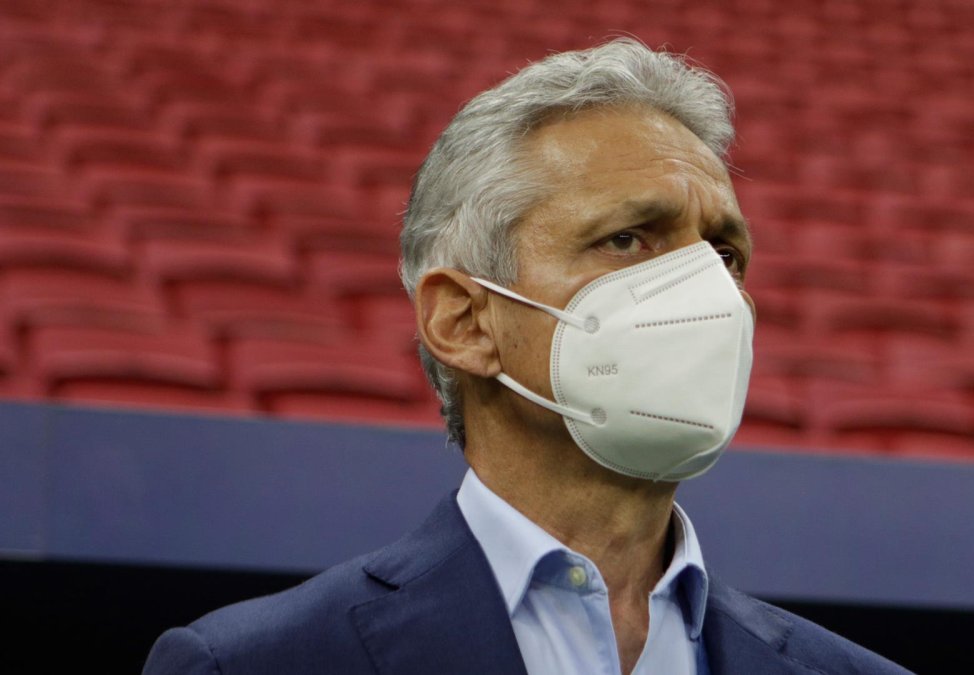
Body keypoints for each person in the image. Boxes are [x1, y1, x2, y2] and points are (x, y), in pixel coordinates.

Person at [143, 38, 912, 674]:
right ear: (465, 321)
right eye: (628, 238)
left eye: (726, 253)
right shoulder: (255, 664)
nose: (708, 290)